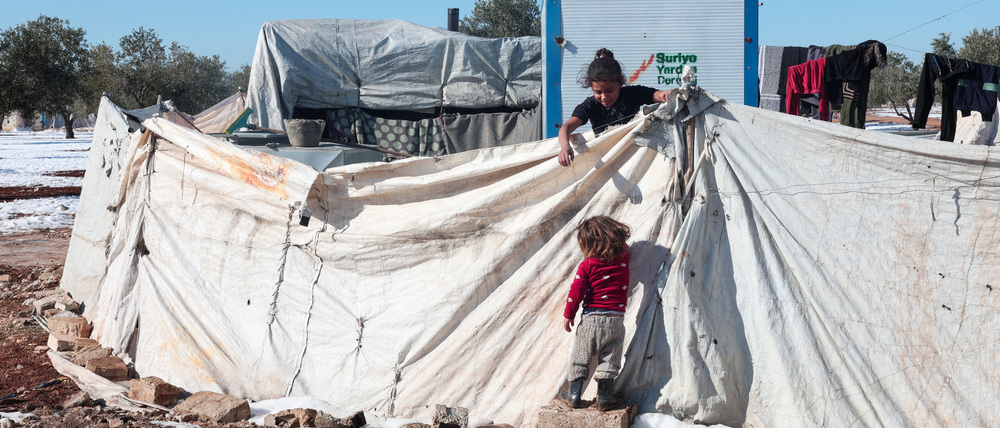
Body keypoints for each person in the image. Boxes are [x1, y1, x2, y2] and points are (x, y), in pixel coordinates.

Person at [560, 215, 631, 410]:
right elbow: (624, 247)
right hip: (615, 320)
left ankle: (574, 395)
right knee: (610, 357)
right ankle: (605, 397)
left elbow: (576, 292)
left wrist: (569, 314)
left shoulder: (587, 265)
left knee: (581, 355)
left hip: (591, 318)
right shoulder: (623, 257)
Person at [558, 48, 672, 166]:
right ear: (591, 87)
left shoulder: (632, 94)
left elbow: (657, 95)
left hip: (633, 157)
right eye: (598, 92)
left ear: (620, 83)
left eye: (609, 91)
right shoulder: (589, 105)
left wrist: (666, 95)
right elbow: (565, 128)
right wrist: (565, 147)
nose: (604, 97)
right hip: (606, 160)